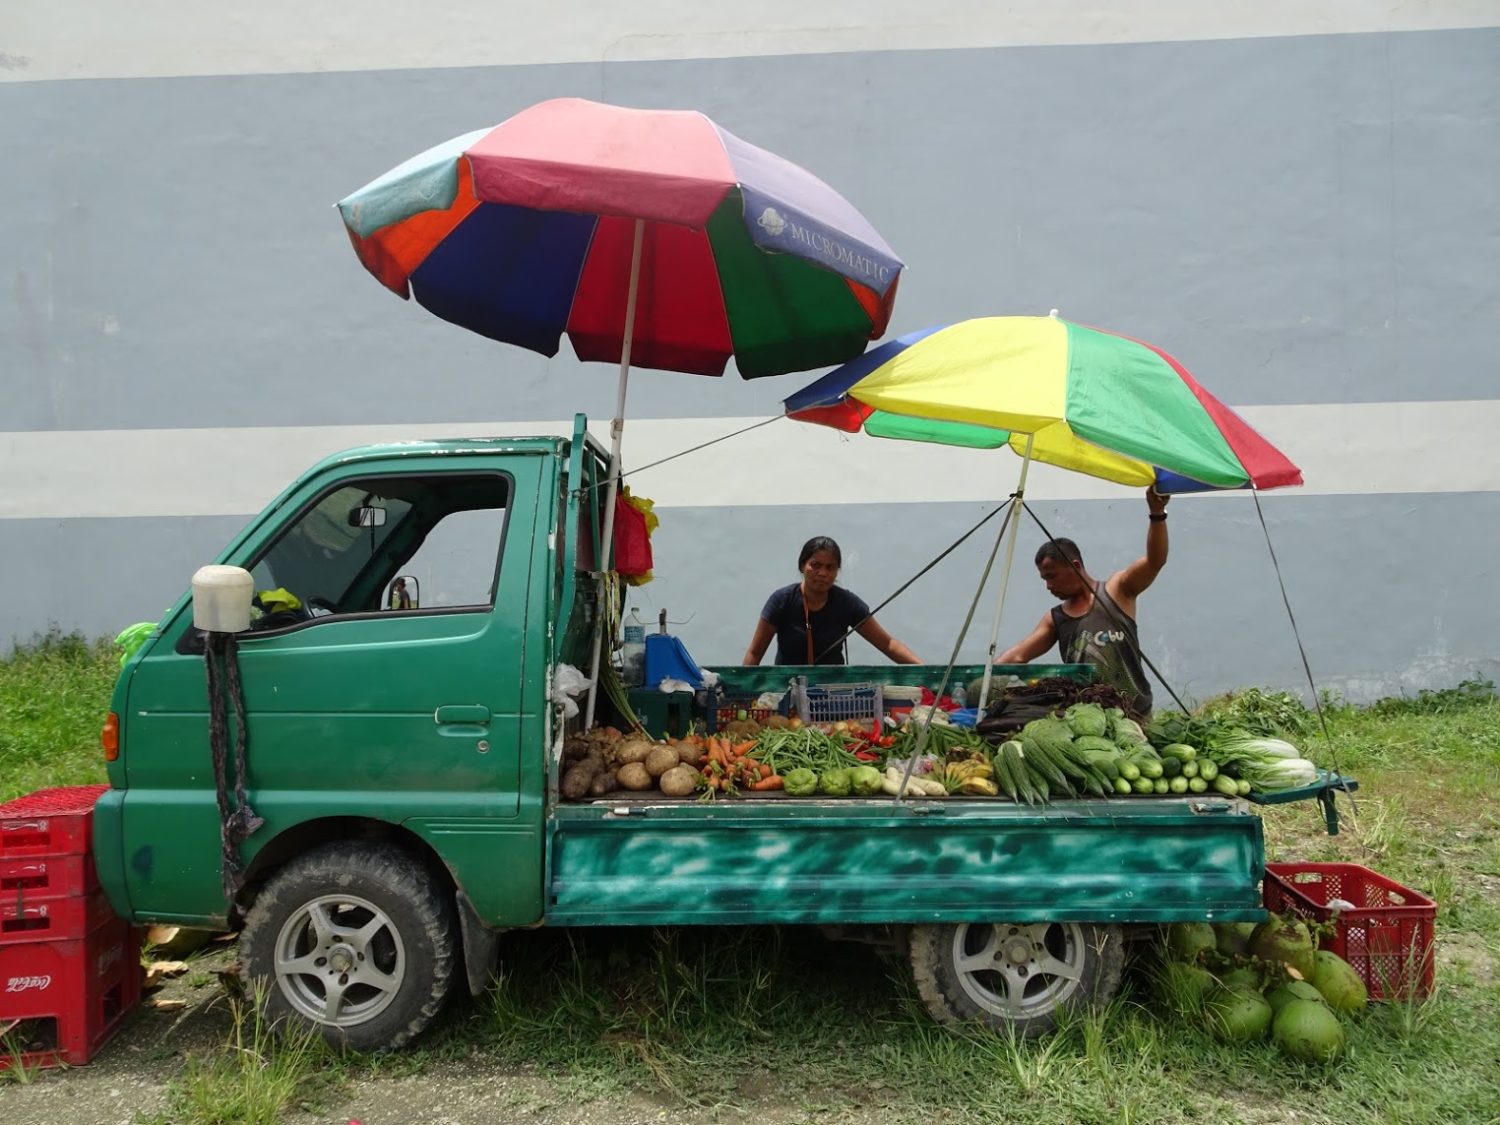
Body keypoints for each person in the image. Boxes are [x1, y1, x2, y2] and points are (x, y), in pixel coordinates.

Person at [995, 488, 1169, 715]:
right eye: (1044, 579)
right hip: (1088, 720)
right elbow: (1017, 657)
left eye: (1052, 576)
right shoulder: (1055, 619)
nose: (1048, 586)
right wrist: (982, 675)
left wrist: (1157, 514)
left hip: (1134, 715)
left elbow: (1155, 561)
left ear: (1075, 566)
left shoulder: (1118, 590)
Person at [743, 536, 922, 666]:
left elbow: (888, 644)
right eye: (816, 565)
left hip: (833, 695)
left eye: (830, 567)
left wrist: (930, 673)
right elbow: (754, 653)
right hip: (787, 692)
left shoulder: (847, 603)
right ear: (802, 566)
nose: (823, 573)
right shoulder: (781, 601)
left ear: (837, 571)